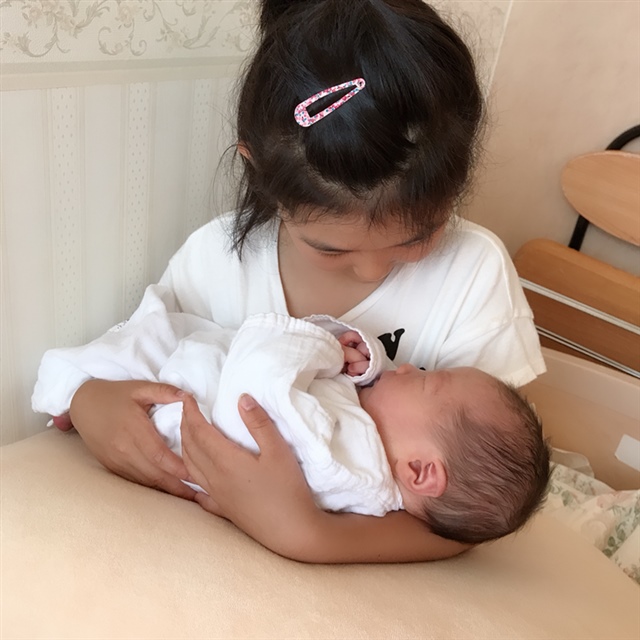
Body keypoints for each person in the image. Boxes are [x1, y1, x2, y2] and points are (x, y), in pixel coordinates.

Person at [46, 0, 547, 562]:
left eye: (417, 236)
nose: (373, 269)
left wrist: (308, 534)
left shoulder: (473, 273)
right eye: (331, 247)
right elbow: (147, 346)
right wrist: (86, 399)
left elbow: (475, 509)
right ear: (258, 170)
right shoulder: (217, 259)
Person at [33, 285, 550, 544]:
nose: (411, 366)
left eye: (427, 381)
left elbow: (257, 394)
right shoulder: (375, 453)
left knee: (127, 351)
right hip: (196, 375)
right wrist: (357, 358)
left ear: (420, 470)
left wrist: (323, 349)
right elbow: (337, 394)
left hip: (189, 401)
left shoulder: (348, 465)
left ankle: (63, 388)